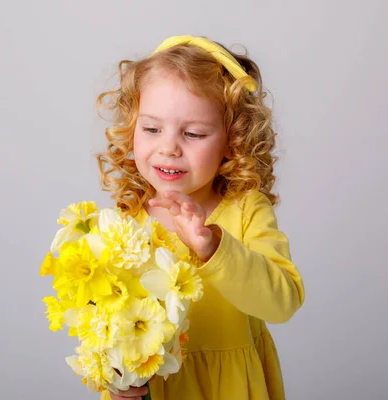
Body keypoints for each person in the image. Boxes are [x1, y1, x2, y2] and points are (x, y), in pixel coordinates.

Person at [95, 35, 305, 400]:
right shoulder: (122, 224)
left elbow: (281, 303)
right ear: (131, 129)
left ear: (232, 141)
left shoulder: (245, 210)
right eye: (151, 129)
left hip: (232, 387)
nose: (169, 147)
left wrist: (215, 249)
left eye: (193, 133)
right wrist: (116, 377)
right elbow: (105, 325)